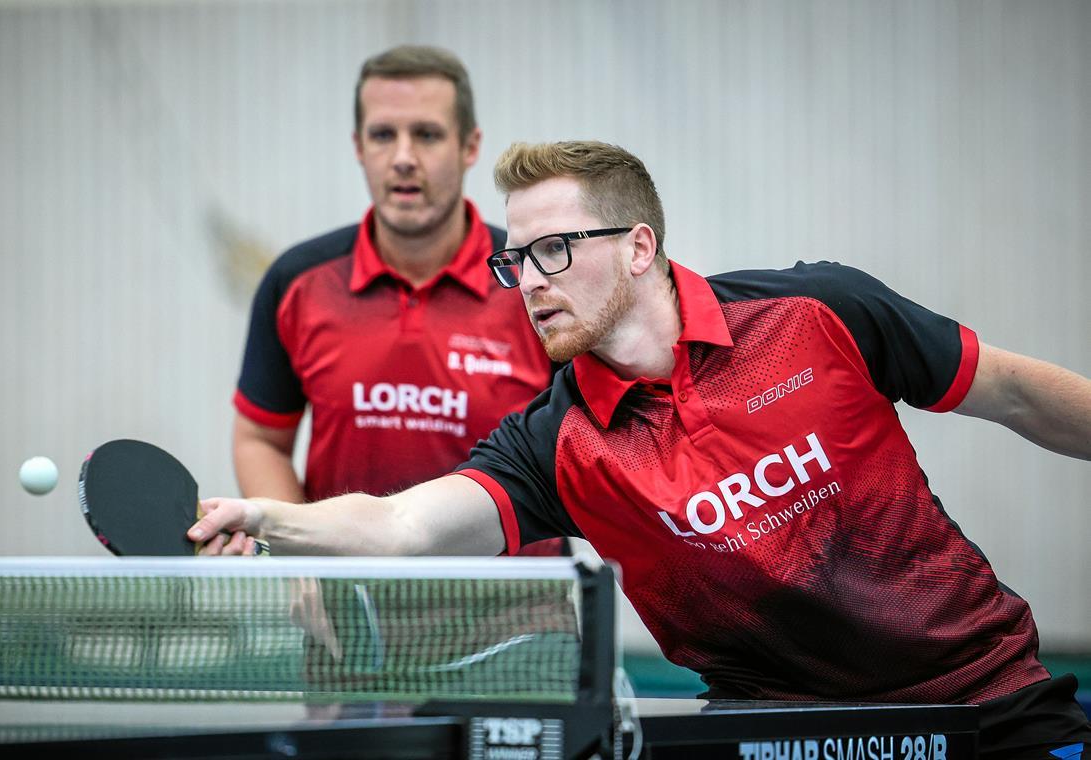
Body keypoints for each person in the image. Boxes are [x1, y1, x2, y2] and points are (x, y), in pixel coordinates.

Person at [198, 140, 1091, 757]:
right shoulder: (557, 442)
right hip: (773, 738)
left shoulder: (817, 314)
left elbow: (1013, 392)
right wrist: (266, 518)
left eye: (554, 250)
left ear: (638, 247)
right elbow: (399, 527)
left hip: (987, 705)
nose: (530, 283)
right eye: (517, 262)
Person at [230, 45, 563, 555]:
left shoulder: (534, 277)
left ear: (470, 146)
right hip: (345, 611)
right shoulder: (298, 281)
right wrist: (292, 555)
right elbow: (260, 440)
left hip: (518, 617)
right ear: (359, 147)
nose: (404, 157)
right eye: (383, 135)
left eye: (427, 135)